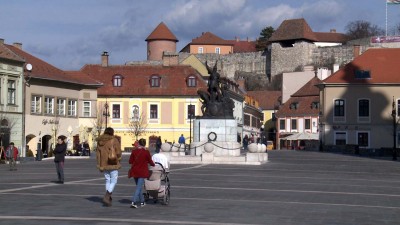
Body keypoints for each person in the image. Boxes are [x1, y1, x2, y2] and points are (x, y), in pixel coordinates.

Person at [96, 127, 122, 207]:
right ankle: (107, 195)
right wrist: (119, 158)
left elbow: (98, 154)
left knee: (107, 180)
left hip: (104, 164)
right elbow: (118, 152)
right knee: (114, 181)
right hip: (112, 163)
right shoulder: (114, 140)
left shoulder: (100, 141)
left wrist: (100, 164)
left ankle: (108, 198)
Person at [128, 138, 155, 208]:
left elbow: (130, 161)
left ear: (139, 143)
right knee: (138, 187)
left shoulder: (134, 151)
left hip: (135, 171)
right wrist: (153, 164)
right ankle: (133, 202)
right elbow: (150, 162)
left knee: (138, 187)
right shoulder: (146, 152)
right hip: (142, 172)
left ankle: (142, 201)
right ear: (145, 144)